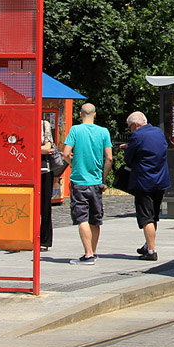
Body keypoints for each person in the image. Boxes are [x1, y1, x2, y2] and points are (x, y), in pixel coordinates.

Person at [62, 103, 112, 265]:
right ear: (95, 114)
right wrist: (103, 179)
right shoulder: (103, 132)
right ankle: (94, 251)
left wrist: (73, 164)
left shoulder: (75, 130)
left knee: (82, 217)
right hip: (96, 181)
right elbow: (109, 159)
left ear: (80, 114)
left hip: (79, 181)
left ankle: (88, 254)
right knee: (95, 219)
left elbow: (65, 153)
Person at [123, 111, 171, 261]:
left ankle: (151, 251)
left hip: (144, 182)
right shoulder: (158, 132)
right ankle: (148, 244)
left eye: (130, 127)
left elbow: (128, 158)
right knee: (154, 215)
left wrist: (128, 147)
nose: (130, 130)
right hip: (161, 180)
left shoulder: (137, 136)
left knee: (146, 218)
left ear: (135, 125)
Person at [39, 119, 55, 252]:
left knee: (45, 207)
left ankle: (44, 240)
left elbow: (47, 148)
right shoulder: (18, 124)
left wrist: (30, 148)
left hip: (44, 170)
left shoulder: (44, 124)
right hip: (24, 169)